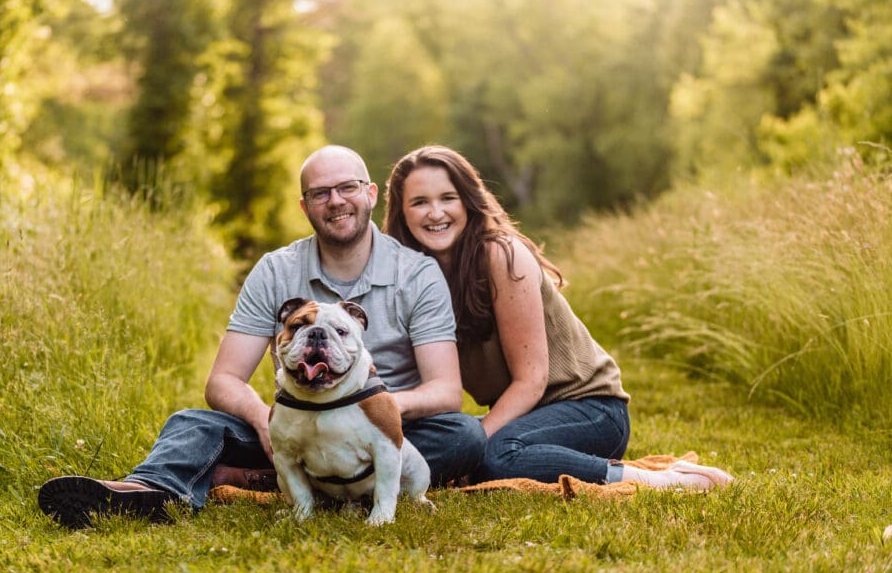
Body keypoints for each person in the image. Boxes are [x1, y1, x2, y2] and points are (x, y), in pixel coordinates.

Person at [38, 145, 487, 529]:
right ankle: (149, 491)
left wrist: (371, 410)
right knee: (193, 423)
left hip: (380, 439)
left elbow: (446, 391)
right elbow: (223, 381)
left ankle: (249, 477)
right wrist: (263, 420)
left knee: (463, 434)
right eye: (320, 193)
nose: (336, 201)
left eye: (347, 187)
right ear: (305, 206)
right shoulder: (275, 270)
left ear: (369, 194)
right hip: (294, 425)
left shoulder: (417, 273)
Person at [382, 145, 733, 490]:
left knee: (492, 456)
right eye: (419, 202)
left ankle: (658, 480)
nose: (435, 212)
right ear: (402, 213)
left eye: (448, 198)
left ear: (468, 201)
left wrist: (477, 442)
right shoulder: (419, 279)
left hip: (590, 409)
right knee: (447, 442)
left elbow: (532, 380)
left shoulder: (500, 255)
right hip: (528, 417)